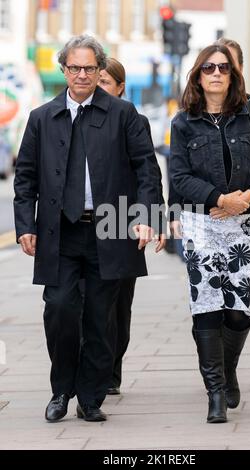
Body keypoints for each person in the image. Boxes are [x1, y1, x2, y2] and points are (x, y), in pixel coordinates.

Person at [14, 35, 162, 423]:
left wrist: (148, 217)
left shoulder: (123, 114)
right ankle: (61, 390)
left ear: (100, 71)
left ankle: (91, 397)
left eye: (90, 68)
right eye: (75, 68)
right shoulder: (41, 118)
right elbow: (25, 177)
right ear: (64, 70)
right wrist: (23, 226)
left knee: (101, 318)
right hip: (60, 233)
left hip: (110, 229)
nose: (82, 74)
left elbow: (148, 168)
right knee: (60, 309)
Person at [169, 44, 250, 423]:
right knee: (206, 307)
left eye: (223, 68)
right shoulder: (183, 121)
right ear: (197, 77)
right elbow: (179, 176)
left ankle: (228, 367)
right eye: (208, 68)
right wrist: (219, 198)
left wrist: (247, 198)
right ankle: (215, 392)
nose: (216, 73)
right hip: (202, 223)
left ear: (233, 76)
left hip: (242, 224)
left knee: (238, 312)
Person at [97, 57, 166, 395]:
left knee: (118, 306)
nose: (99, 90)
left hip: (121, 224)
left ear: (120, 87)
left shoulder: (132, 120)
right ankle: (90, 372)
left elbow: (148, 172)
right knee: (83, 303)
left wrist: (152, 219)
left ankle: (111, 369)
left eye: (106, 83)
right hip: (82, 228)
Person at [214, 38, 250, 254]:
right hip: (206, 214)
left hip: (247, 212)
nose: (222, 70)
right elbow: (180, 170)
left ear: (241, 68)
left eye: (229, 63)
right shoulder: (192, 113)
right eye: (217, 64)